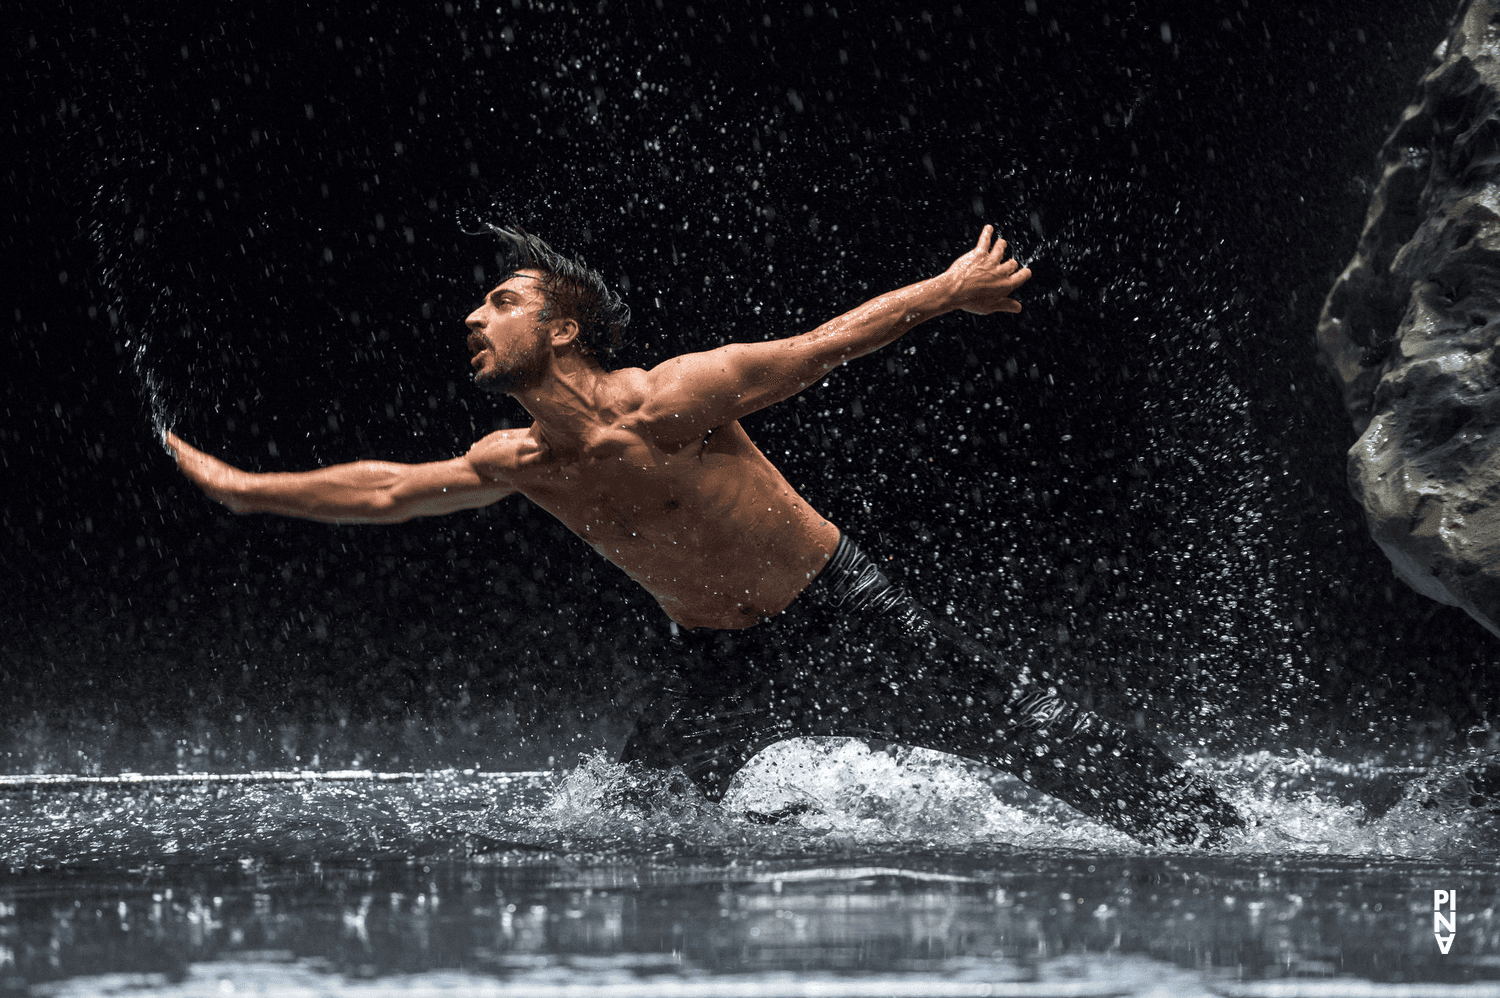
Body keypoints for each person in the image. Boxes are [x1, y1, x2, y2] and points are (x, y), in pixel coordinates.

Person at [166, 224, 1244, 846]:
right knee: (627, 819)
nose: (471, 319)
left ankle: (1221, 829)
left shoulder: (675, 397)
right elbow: (392, 489)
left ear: (563, 326)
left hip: (840, 604)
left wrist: (951, 288)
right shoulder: (521, 461)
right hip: (719, 660)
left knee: (1028, 725)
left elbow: (826, 344)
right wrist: (250, 489)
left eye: (498, 300)